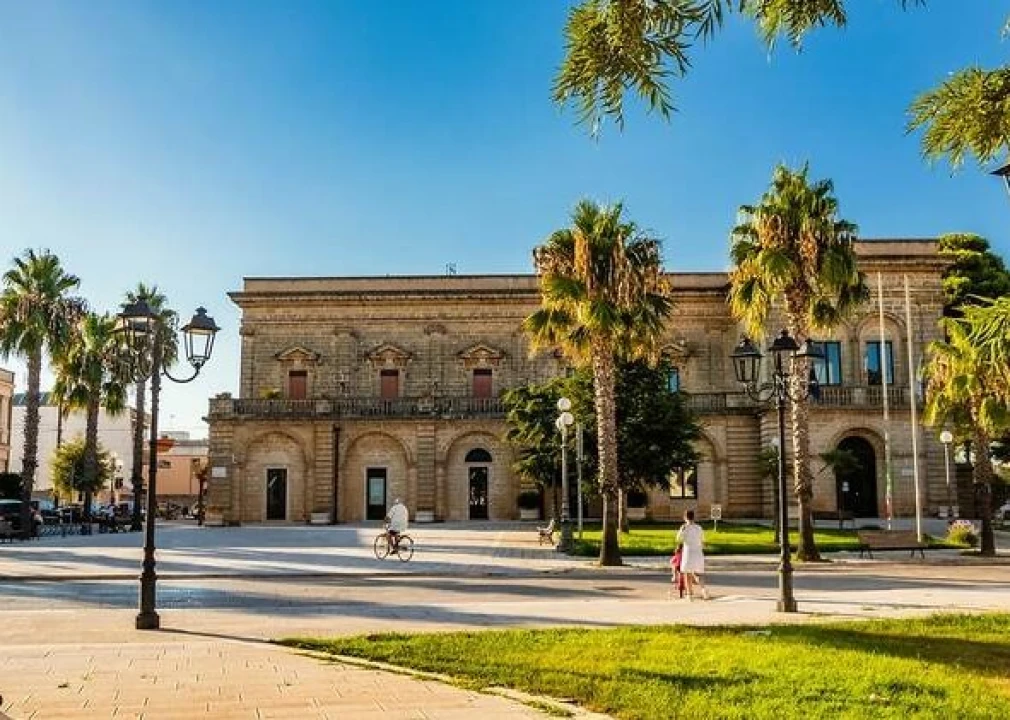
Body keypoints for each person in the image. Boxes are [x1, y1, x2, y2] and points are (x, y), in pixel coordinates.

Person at [675, 509, 709, 600]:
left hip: (688, 553)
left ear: (685, 517)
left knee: (687, 573)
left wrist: (681, 531)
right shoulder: (699, 527)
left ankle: (689, 594)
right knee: (699, 573)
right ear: (694, 517)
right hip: (698, 553)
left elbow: (678, 539)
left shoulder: (684, 527)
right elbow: (703, 541)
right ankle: (703, 589)